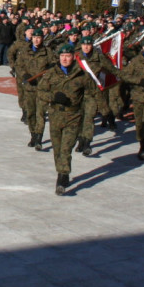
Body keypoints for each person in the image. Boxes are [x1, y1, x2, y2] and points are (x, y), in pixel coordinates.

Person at [38, 44, 88, 196]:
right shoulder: (51, 73)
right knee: (57, 149)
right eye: (62, 56)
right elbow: (41, 91)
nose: (65, 59)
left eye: (67, 56)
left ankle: (61, 177)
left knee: (66, 149)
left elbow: (89, 96)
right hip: (55, 115)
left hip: (73, 116)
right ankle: (62, 171)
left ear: (73, 57)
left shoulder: (81, 74)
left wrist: (88, 116)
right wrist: (53, 97)